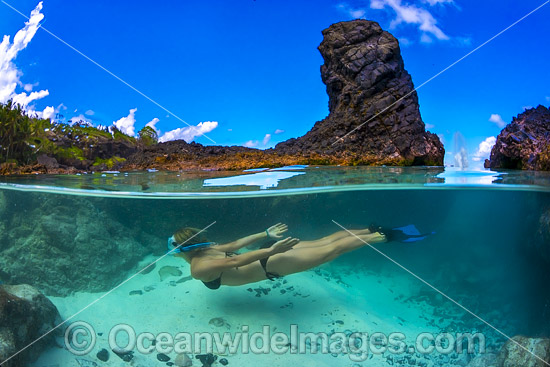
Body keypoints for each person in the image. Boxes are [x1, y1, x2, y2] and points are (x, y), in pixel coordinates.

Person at [167, 223, 386, 290]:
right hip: (269, 253)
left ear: (178, 251)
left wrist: (272, 250)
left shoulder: (197, 268)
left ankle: (381, 236)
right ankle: (371, 230)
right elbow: (235, 246)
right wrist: (266, 237)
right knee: (326, 242)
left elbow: (234, 260)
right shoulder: (207, 250)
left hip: (272, 261)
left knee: (333, 250)